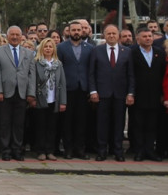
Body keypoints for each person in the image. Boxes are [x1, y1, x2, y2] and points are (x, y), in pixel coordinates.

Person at [89, 24, 134, 162]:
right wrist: (93, 91)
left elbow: (131, 74)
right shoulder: (97, 50)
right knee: (102, 123)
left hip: (120, 94)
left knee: (119, 123)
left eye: (114, 33)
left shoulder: (126, 51)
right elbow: (91, 73)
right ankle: (102, 151)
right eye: (108, 34)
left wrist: (130, 93)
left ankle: (118, 151)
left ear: (118, 35)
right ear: (104, 35)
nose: (111, 36)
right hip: (102, 94)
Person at [0, 26, 36, 161]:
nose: (15, 37)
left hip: (21, 93)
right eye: (12, 35)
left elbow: (31, 74)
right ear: (8, 36)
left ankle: (17, 149)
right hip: (4, 93)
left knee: (19, 124)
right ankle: (5, 150)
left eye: (17, 35)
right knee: (5, 123)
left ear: (21, 37)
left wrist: (31, 93)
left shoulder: (27, 53)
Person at [56, 21, 94, 160]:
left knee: (81, 121)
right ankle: (68, 149)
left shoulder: (89, 48)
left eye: (79, 30)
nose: (77, 32)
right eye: (74, 30)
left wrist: (91, 90)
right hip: (67, 89)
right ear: (69, 31)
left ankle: (80, 149)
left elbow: (91, 70)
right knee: (67, 121)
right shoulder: (61, 47)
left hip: (83, 89)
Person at [131, 27, 166, 161]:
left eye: (150, 36)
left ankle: (150, 150)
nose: (148, 38)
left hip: (155, 96)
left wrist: (163, 94)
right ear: (138, 39)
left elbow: (163, 75)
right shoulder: (132, 53)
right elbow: (130, 74)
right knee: (139, 125)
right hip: (138, 95)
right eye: (144, 36)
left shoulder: (159, 53)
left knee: (152, 125)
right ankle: (139, 151)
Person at [33, 38, 67, 161]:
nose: (48, 49)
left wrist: (63, 102)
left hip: (54, 99)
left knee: (52, 127)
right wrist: (33, 97)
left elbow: (62, 84)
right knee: (41, 126)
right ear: (42, 48)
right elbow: (33, 81)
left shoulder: (58, 64)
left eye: (50, 47)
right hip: (41, 99)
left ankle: (50, 151)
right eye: (46, 47)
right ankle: (41, 151)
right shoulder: (36, 63)